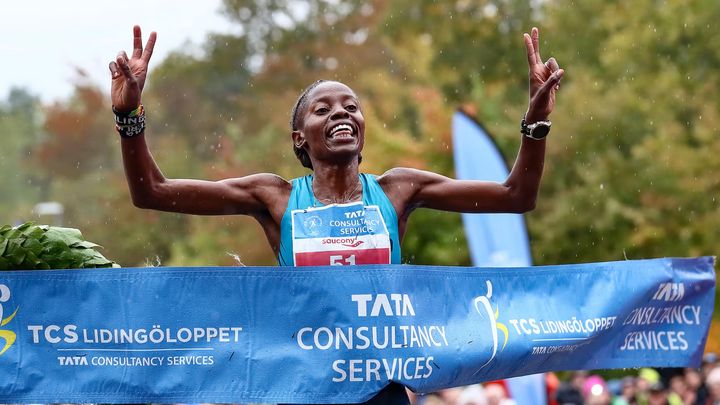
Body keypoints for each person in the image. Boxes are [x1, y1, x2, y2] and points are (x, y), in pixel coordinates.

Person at [109, 25, 563, 405]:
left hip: (382, 388)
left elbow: (515, 196)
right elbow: (152, 192)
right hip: (305, 388)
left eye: (351, 107)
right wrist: (128, 115)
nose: (341, 113)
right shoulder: (276, 198)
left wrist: (536, 123)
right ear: (300, 138)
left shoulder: (398, 189)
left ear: (362, 129)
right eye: (322, 110)